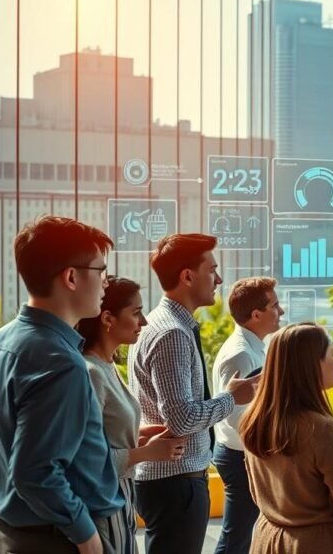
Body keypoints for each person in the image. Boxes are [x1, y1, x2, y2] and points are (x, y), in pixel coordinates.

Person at [0, 215, 124, 554]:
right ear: (71, 277)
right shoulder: (59, 361)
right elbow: (35, 472)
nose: (106, 284)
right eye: (101, 271)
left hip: (10, 530)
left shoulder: (0, 342)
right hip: (59, 537)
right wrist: (86, 535)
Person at [128, 234, 259, 554]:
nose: (219, 279)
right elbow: (181, 418)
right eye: (211, 270)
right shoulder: (171, 332)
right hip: (176, 481)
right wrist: (231, 397)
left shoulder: (162, 324)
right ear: (187, 276)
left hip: (172, 480)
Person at [76, 276, 187, 554]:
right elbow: (87, 459)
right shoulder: (91, 373)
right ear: (108, 319)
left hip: (121, 495)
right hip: (103, 501)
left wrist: (141, 433)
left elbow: (105, 433)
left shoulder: (108, 366)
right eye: (136, 312)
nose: (144, 321)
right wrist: (148, 452)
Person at [240, 323, 333, 554]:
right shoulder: (325, 430)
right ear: (312, 365)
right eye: (332, 354)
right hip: (319, 545)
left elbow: (259, 496)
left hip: (268, 540)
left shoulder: (253, 421)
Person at [212, 277, 283, 554]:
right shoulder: (242, 355)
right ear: (256, 315)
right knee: (236, 540)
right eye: (275, 306)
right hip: (240, 457)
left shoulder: (252, 348)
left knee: (240, 537)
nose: (281, 311)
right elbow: (236, 416)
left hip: (241, 454)